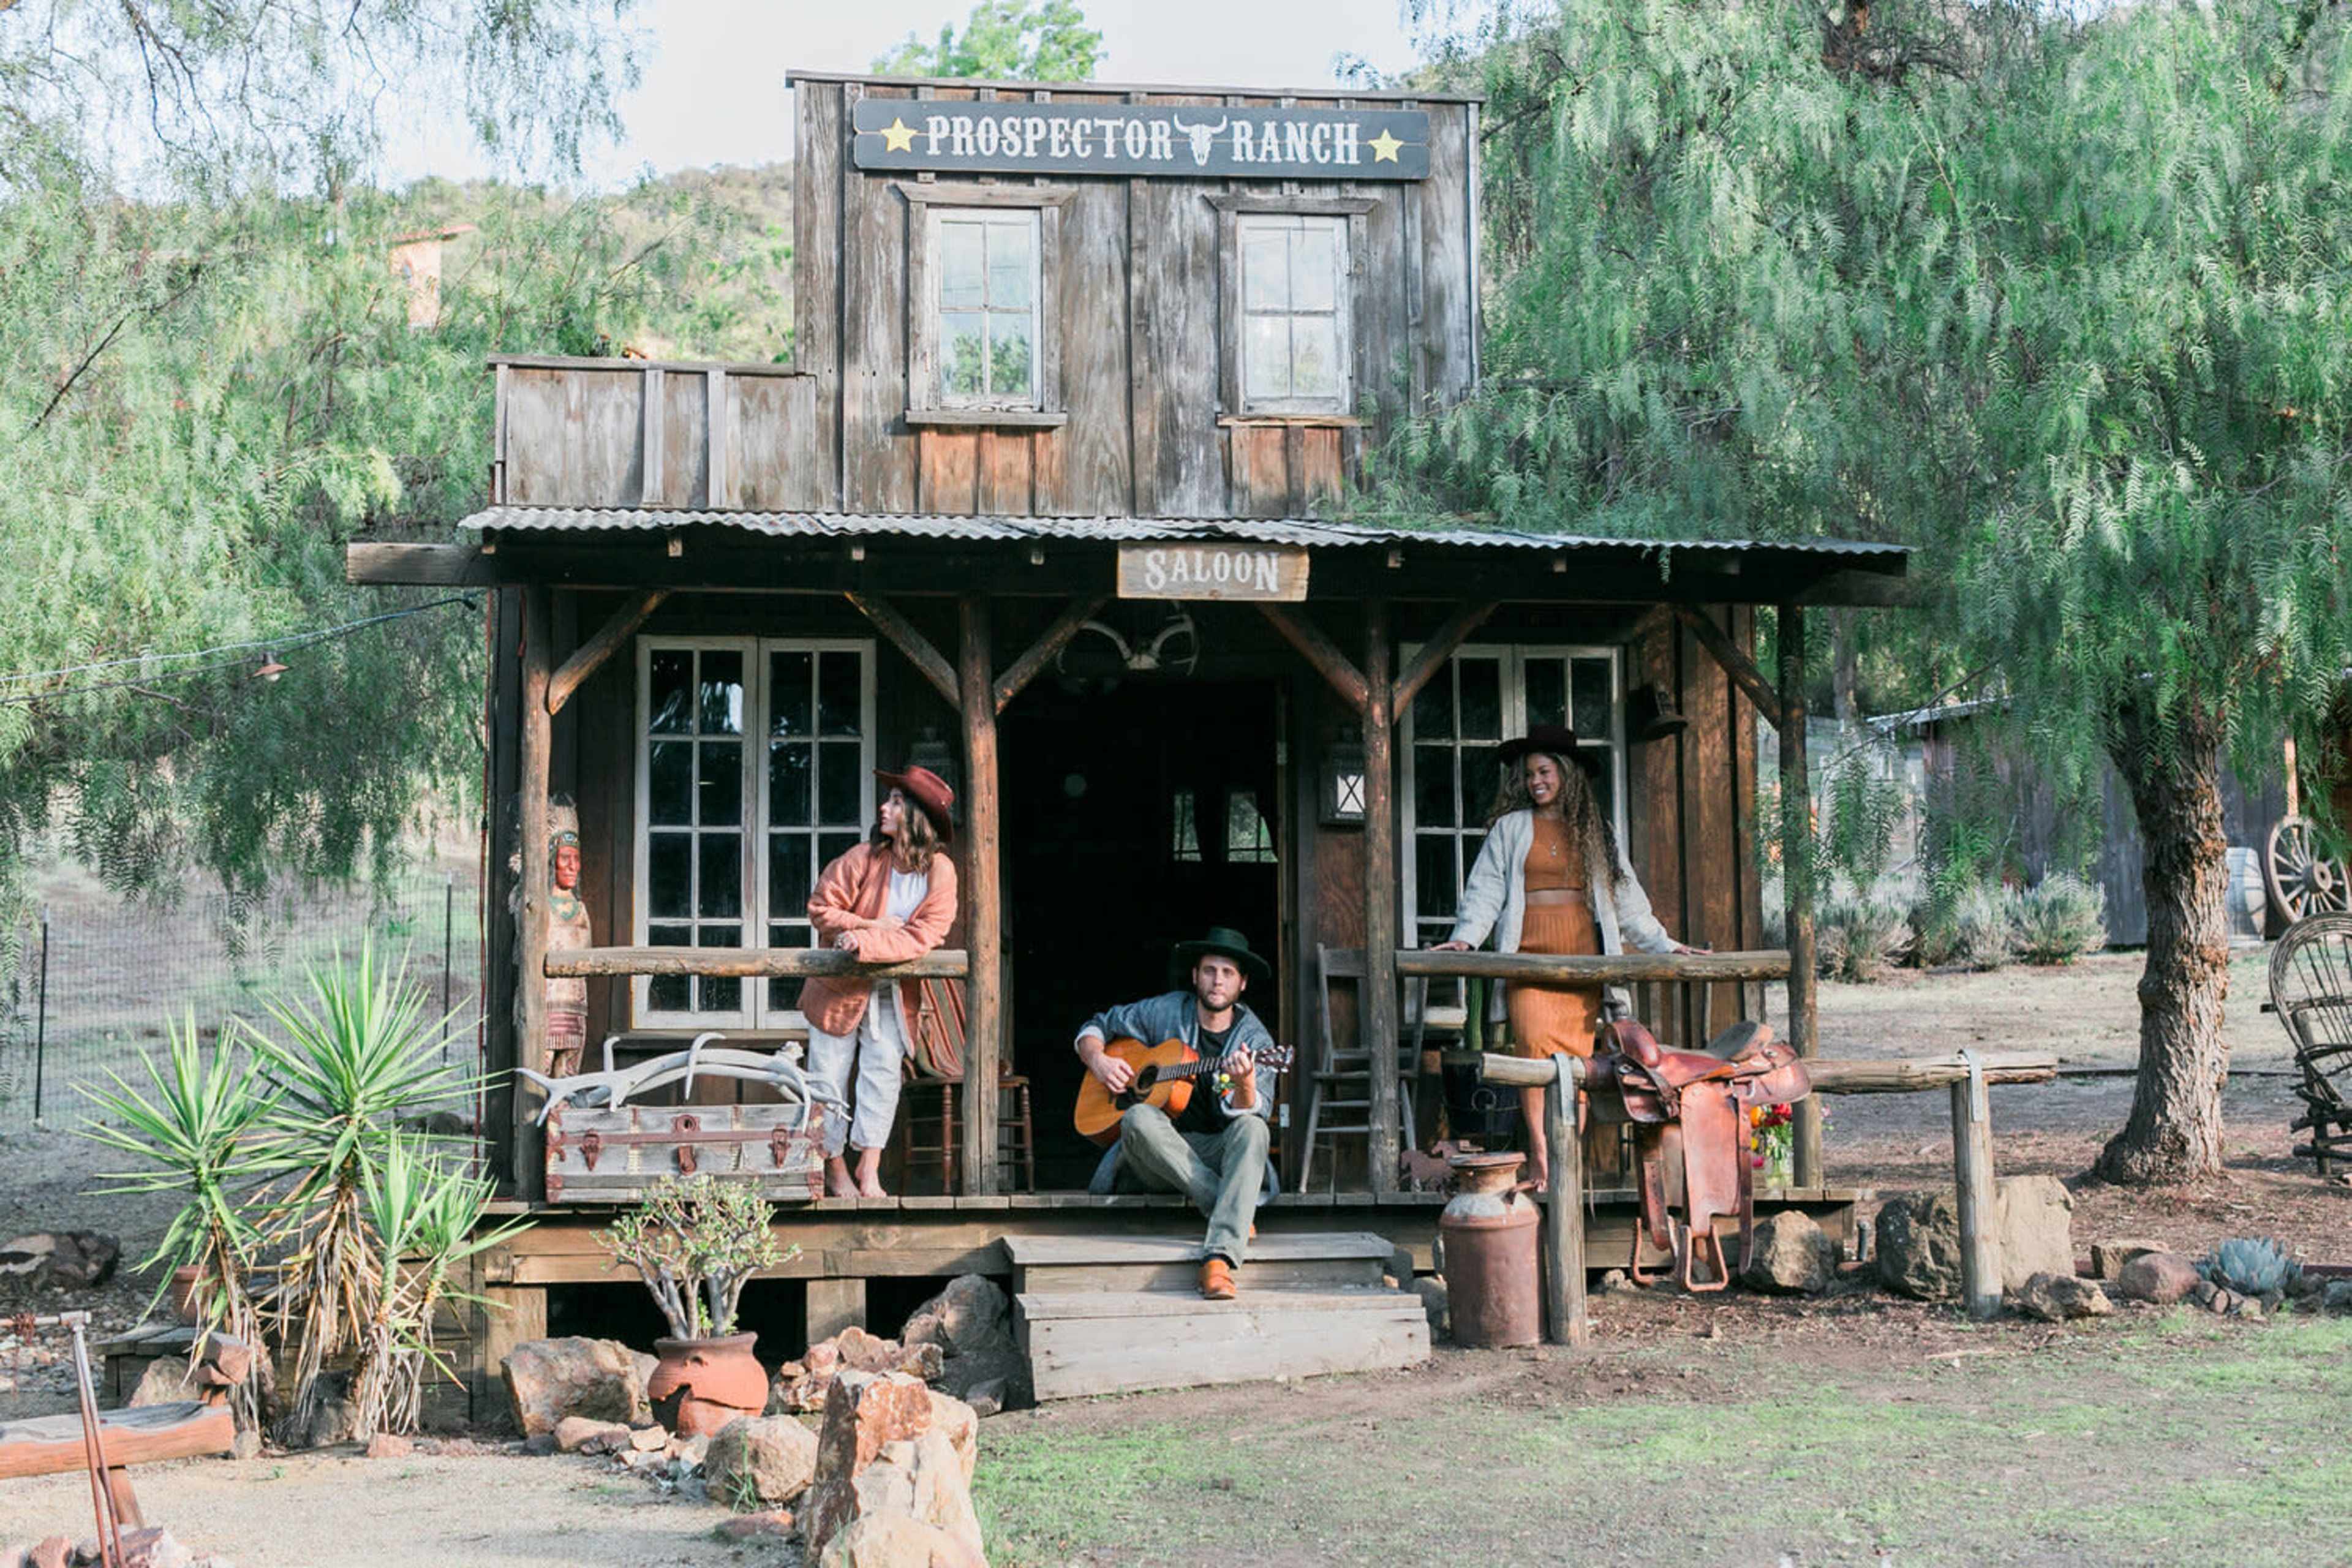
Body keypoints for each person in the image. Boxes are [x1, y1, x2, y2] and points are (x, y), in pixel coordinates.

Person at [1433, 724, 1702, 1186]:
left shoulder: (1596, 831)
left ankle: (1567, 1158)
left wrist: (1667, 945)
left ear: (1568, 774)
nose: (1535, 781)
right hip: (1528, 966)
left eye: (1544, 772)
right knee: (1536, 1059)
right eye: (1529, 774)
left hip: (1583, 968)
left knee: (1577, 1065)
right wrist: (1466, 938)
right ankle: (1540, 1154)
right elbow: (1485, 891)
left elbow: (1627, 899)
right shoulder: (1511, 828)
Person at [1076, 928, 1280, 1300]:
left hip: (1216, 1153)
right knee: (1137, 1118)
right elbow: (1098, 1025)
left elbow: (1255, 1112)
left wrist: (1245, 1081)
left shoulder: (1257, 1043)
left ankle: (1219, 1260)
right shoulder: (1167, 1010)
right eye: (1209, 970)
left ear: (1243, 983)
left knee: (1253, 1129)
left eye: (1228, 973)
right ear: (1195, 976)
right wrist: (1099, 1060)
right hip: (1156, 1158)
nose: (1218, 981)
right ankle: (1225, 1204)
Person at [800, 765, 959, 1199]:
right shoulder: (863, 857)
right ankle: (835, 1171)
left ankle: (869, 1172)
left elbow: (927, 935)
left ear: (915, 815)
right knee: (826, 1077)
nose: (883, 807)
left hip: (895, 989)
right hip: (837, 989)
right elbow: (821, 908)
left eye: (894, 801)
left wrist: (868, 939)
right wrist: (869, 922)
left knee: (883, 1073)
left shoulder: (939, 871)